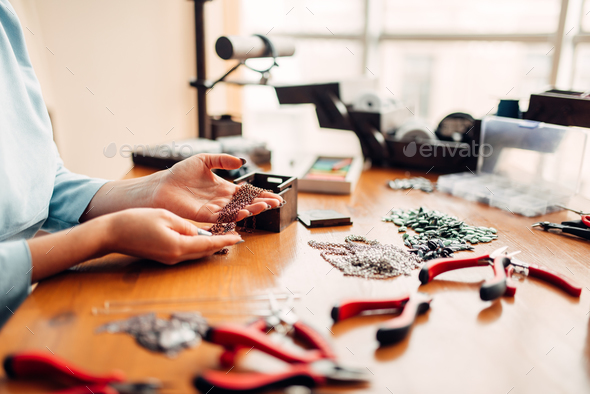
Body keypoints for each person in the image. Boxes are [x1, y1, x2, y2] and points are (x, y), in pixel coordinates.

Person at [0, 0, 283, 328]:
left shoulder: (5, 18)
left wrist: (151, 188)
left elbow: (40, 183)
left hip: (22, 318)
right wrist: (105, 235)